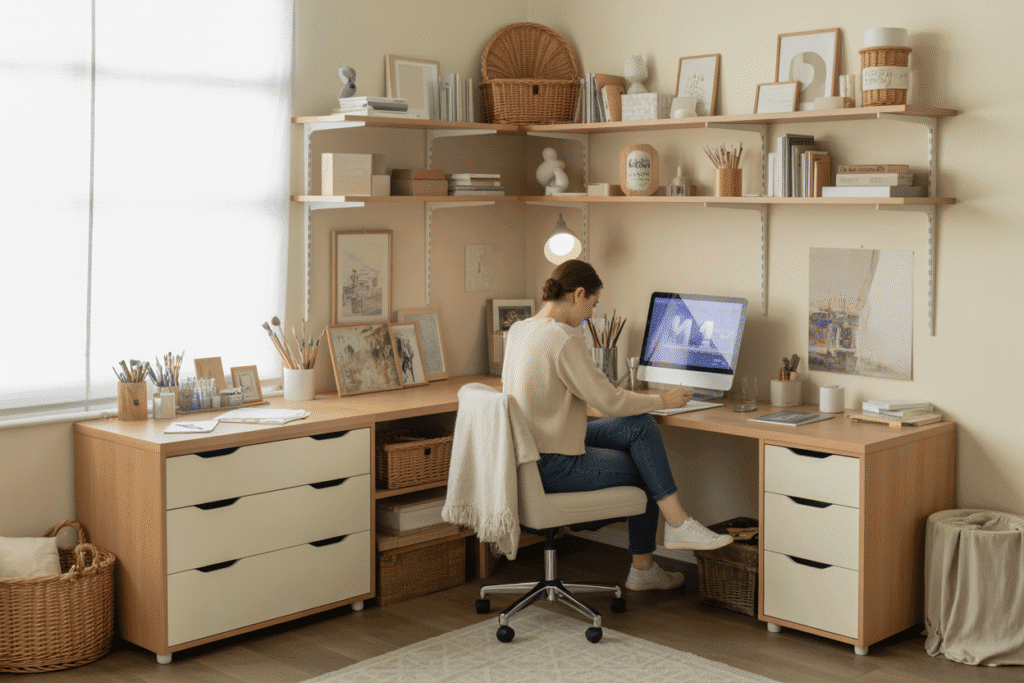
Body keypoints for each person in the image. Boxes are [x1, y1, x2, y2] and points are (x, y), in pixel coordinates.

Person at [501, 259, 732, 592]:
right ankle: (657, 549)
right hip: (553, 464)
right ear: (577, 294)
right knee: (646, 464)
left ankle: (673, 529)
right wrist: (664, 401)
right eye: (592, 305)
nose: (591, 316)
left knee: (638, 426)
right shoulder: (563, 338)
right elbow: (609, 401)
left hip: (531, 452)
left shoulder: (521, 330)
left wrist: (634, 400)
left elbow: (596, 397)